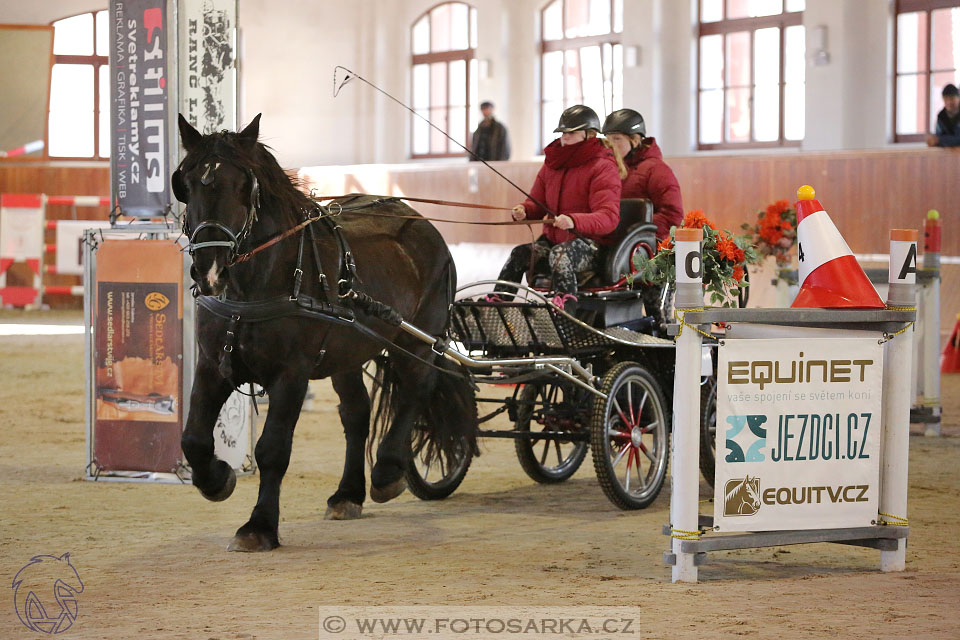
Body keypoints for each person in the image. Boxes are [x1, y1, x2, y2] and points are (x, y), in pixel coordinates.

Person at [494, 104, 624, 314]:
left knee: (560, 255)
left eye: (571, 132)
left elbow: (608, 217)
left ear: (589, 134)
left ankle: (565, 309)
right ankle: (497, 305)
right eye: (563, 132)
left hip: (589, 244)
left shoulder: (602, 166)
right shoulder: (552, 165)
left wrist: (574, 220)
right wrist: (524, 210)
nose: (565, 137)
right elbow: (537, 204)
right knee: (520, 254)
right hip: (554, 241)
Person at [601, 108, 683, 240]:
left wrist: (634, 227)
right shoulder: (607, 169)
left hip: (642, 244)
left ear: (634, 141)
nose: (610, 145)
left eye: (617, 139)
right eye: (608, 139)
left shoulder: (656, 170)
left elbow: (673, 215)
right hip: (612, 239)